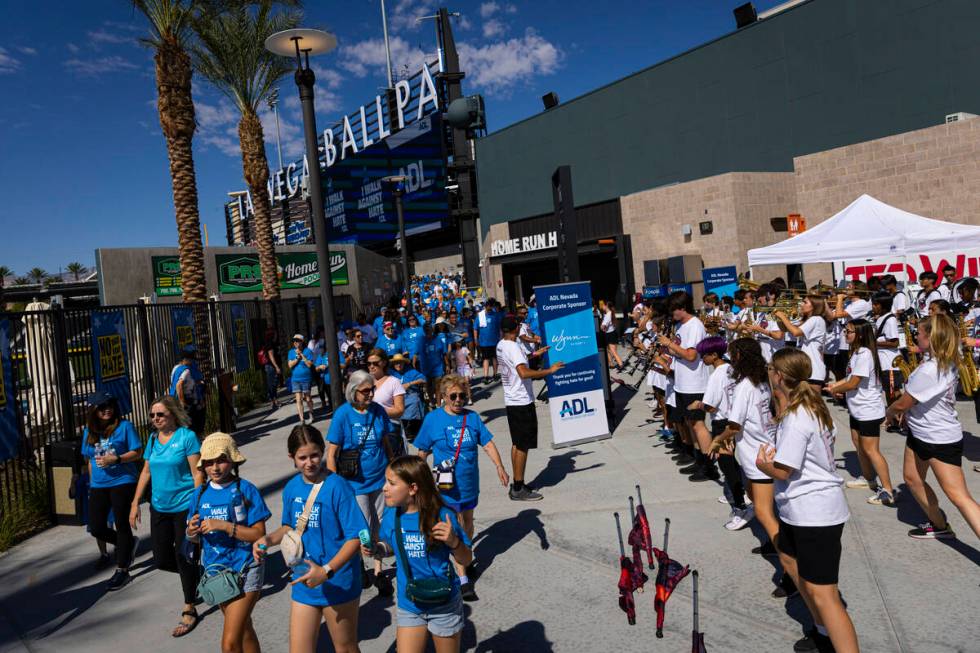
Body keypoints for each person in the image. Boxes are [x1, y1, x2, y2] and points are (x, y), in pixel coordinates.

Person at [757, 348, 860, 653]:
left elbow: (784, 469)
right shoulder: (803, 406)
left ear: (778, 376)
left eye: (770, 368)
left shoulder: (798, 417)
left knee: (825, 594)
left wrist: (765, 466)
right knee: (789, 559)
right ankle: (822, 631)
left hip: (816, 514)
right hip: (800, 511)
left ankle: (837, 641)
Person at [254, 425, 367, 653]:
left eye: (314, 455)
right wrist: (267, 539)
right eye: (302, 457)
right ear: (292, 458)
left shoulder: (337, 487)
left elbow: (356, 538)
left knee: (345, 648)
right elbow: (289, 526)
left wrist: (326, 571)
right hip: (303, 580)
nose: (309, 462)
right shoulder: (292, 487)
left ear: (323, 451)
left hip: (337, 580)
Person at [363, 456, 473, 653]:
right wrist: (378, 549)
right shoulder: (392, 515)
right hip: (410, 603)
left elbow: (466, 559)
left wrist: (454, 542)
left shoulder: (443, 515)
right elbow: (390, 546)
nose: (384, 488)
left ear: (413, 488)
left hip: (444, 603)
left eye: (391, 483)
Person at [414, 375, 509, 601]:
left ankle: (465, 555)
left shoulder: (472, 418)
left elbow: (487, 443)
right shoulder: (433, 420)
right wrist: (419, 479)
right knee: (455, 526)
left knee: (468, 523)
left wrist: (499, 466)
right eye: (453, 396)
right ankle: (463, 579)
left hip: (469, 484)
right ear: (443, 397)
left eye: (462, 396)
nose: (458, 400)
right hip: (446, 487)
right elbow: (421, 453)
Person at [709, 338, 792, 596]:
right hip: (768, 448)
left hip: (759, 459)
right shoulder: (766, 380)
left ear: (739, 357)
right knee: (767, 507)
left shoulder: (745, 386)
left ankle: (791, 572)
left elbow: (734, 425)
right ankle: (772, 543)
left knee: (765, 513)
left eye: (732, 355)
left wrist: (718, 439)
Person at [886, 315, 980, 539]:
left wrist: (890, 412)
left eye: (919, 333)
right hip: (922, 433)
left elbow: (905, 402)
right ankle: (939, 525)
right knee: (912, 479)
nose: (916, 336)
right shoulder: (942, 361)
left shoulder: (931, 369)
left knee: (959, 497)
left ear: (931, 337)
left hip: (938, 438)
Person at [186, 433, 270, 653]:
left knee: (230, 643)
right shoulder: (199, 494)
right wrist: (191, 530)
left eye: (221, 460)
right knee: (244, 629)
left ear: (233, 460)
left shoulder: (246, 489)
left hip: (246, 568)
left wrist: (224, 526)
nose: (215, 467)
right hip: (216, 573)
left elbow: (259, 534)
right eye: (209, 462)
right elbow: (193, 538)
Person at [129, 395, 203, 638]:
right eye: (152, 415)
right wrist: (135, 502)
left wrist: (196, 505)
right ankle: (195, 575)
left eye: (160, 414)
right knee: (161, 559)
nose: (155, 419)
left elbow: (196, 474)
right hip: (159, 507)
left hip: (184, 506)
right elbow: (146, 471)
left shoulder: (187, 437)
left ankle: (189, 607)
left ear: (172, 413)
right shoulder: (152, 439)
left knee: (184, 555)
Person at [326, 371, 396, 596]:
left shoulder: (378, 411)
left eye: (372, 390)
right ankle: (359, 564)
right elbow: (332, 453)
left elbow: (386, 441)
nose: (370, 394)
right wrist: (334, 484)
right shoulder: (343, 415)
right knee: (362, 528)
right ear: (353, 391)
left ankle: (378, 571)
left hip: (380, 478)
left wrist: (393, 468)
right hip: (354, 484)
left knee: (379, 525)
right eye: (366, 391)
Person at [825, 319, 896, 506]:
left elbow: (854, 382)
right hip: (857, 408)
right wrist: (834, 385)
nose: (845, 334)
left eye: (849, 332)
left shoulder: (864, 354)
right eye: (845, 331)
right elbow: (849, 378)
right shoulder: (856, 352)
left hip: (868, 411)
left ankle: (888, 490)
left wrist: (836, 389)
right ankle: (868, 478)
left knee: (872, 450)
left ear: (861, 335)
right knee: (859, 445)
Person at [80, 390, 142, 591]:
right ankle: (127, 544)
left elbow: (137, 452)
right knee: (97, 527)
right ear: (93, 410)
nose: (107, 409)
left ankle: (122, 569)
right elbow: (89, 459)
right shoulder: (89, 432)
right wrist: (91, 483)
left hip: (122, 480)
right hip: (99, 484)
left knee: (122, 523)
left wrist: (117, 459)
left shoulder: (124, 427)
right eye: (101, 406)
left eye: (110, 405)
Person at [497, 316, 564, 501]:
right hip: (521, 401)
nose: (521, 327)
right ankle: (519, 488)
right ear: (515, 328)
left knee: (517, 443)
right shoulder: (512, 346)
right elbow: (523, 372)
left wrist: (534, 354)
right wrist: (549, 371)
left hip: (512, 400)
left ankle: (518, 483)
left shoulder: (502, 344)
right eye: (519, 325)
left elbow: (516, 361)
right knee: (522, 445)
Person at [688, 338, 751, 530]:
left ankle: (741, 506)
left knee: (726, 463)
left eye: (704, 355)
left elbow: (710, 405)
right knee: (733, 461)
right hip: (735, 418)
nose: (702, 358)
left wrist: (697, 404)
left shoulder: (716, 375)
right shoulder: (732, 368)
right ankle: (740, 491)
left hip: (722, 421)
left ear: (714, 355)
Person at [657, 291, 718, 482]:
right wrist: (666, 350)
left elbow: (692, 355)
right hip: (683, 384)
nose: (671, 313)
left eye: (673, 309)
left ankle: (709, 466)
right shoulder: (682, 326)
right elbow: (681, 352)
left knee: (698, 424)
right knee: (691, 424)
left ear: (682, 308)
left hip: (694, 384)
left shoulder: (694, 325)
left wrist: (670, 345)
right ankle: (699, 460)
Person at [775, 294, 827, 388]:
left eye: (805, 302)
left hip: (814, 370)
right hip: (805, 368)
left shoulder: (816, 319)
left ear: (814, 306)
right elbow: (785, 329)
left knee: (813, 402)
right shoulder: (807, 320)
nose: (801, 304)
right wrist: (779, 318)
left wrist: (783, 317)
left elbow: (795, 332)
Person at [170, 346, 206, 437]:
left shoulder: (175, 368)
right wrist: (183, 402)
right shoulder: (186, 370)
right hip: (188, 402)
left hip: (175, 401)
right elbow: (179, 385)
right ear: (186, 359)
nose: (192, 362)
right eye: (191, 359)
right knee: (193, 426)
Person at [368, 349, 406, 432]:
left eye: (375, 363)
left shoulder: (394, 382)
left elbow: (399, 410)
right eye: (369, 363)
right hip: (367, 427)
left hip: (389, 427)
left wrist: (376, 410)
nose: (371, 366)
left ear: (384, 363)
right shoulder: (364, 382)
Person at [392, 354, 426, 444]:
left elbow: (423, 379)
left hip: (410, 395)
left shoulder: (411, 372)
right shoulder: (391, 373)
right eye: (396, 363)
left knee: (414, 402)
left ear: (404, 363)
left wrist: (409, 384)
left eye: (400, 363)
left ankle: (411, 429)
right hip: (396, 396)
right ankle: (402, 429)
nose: (398, 365)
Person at [287, 334, 316, 424]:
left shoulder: (308, 351)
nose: (295, 342)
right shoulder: (291, 352)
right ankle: (302, 419)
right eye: (294, 341)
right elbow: (290, 365)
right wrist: (297, 359)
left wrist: (302, 356)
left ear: (302, 342)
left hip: (306, 378)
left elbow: (309, 365)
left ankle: (311, 413)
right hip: (295, 379)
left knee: (307, 398)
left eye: (297, 341)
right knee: (298, 399)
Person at [420, 323, 448, 408]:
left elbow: (444, 353)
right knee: (429, 387)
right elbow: (418, 354)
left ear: (432, 330)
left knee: (438, 386)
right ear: (424, 331)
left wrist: (447, 365)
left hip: (438, 367)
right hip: (426, 368)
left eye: (429, 329)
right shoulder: (421, 340)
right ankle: (432, 401)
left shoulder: (438, 339)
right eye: (426, 329)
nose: (428, 331)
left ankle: (439, 405)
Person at [476, 299, 502, 382]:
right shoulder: (480, 315)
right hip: (484, 342)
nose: (489, 308)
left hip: (495, 340)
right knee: (486, 359)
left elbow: (500, 328)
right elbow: (475, 328)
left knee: (495, 358)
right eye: (488, 306)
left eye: (491, 306)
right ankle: (486, 376)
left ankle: (495, 374)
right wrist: (476, 339)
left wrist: (501, 338)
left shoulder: (496, 315)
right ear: (485, 306)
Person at [258, 330, 281, 409]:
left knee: (272, 384)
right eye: (275, 334)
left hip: (269, 366)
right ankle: (274, 401)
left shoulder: (269, 343)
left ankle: (274, 401)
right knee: (272, 384)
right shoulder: (270, 344)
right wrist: (276, 366)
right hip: (271, 366)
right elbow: (271, 356)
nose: (276, 336)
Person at [599, 299, 623, 370]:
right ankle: (611, 364)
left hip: (610, 334)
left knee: (613, 351)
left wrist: (602, 327)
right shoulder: (608, 313)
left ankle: (621, 364)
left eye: (603, 305)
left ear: (606, 306)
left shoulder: (608, 314)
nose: (602, 307)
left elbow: (603, 326)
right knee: (608, 349)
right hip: (610, 333)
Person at [450, 338, 475, 404]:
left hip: (466, 367)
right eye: (458, 342)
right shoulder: (454, 352)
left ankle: (470, 398)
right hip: (459, 368)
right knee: (461, 384)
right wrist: (453, 369)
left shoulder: (465, 349)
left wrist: (472, 367)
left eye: (460, 342)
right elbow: (453, 361)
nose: (459, 343)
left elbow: (470, 358)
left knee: (467, 382)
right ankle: (463, 397)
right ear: (455, 343)